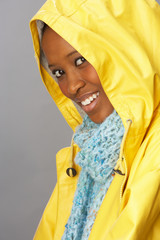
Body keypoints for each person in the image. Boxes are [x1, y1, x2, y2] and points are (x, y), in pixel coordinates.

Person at [30, 0, 160, 239]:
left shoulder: (155, 152)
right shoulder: (87, 154)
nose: (71, 86)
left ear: (127, 50)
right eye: (59, 72)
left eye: (81, 60)